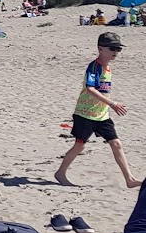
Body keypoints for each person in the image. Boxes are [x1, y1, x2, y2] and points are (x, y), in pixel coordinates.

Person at [55, 32, 139, 188]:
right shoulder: (94, 66)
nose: (115, 52)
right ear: (101, 48)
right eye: (112, 48)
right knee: (80, 146)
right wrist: (113, 104)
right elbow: (90, 89)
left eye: (118, 49)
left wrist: (108, 106)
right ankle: (60, 173)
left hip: (101, 115)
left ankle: (129, 179)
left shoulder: (108, 67)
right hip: (85, 114)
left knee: (116, 144)